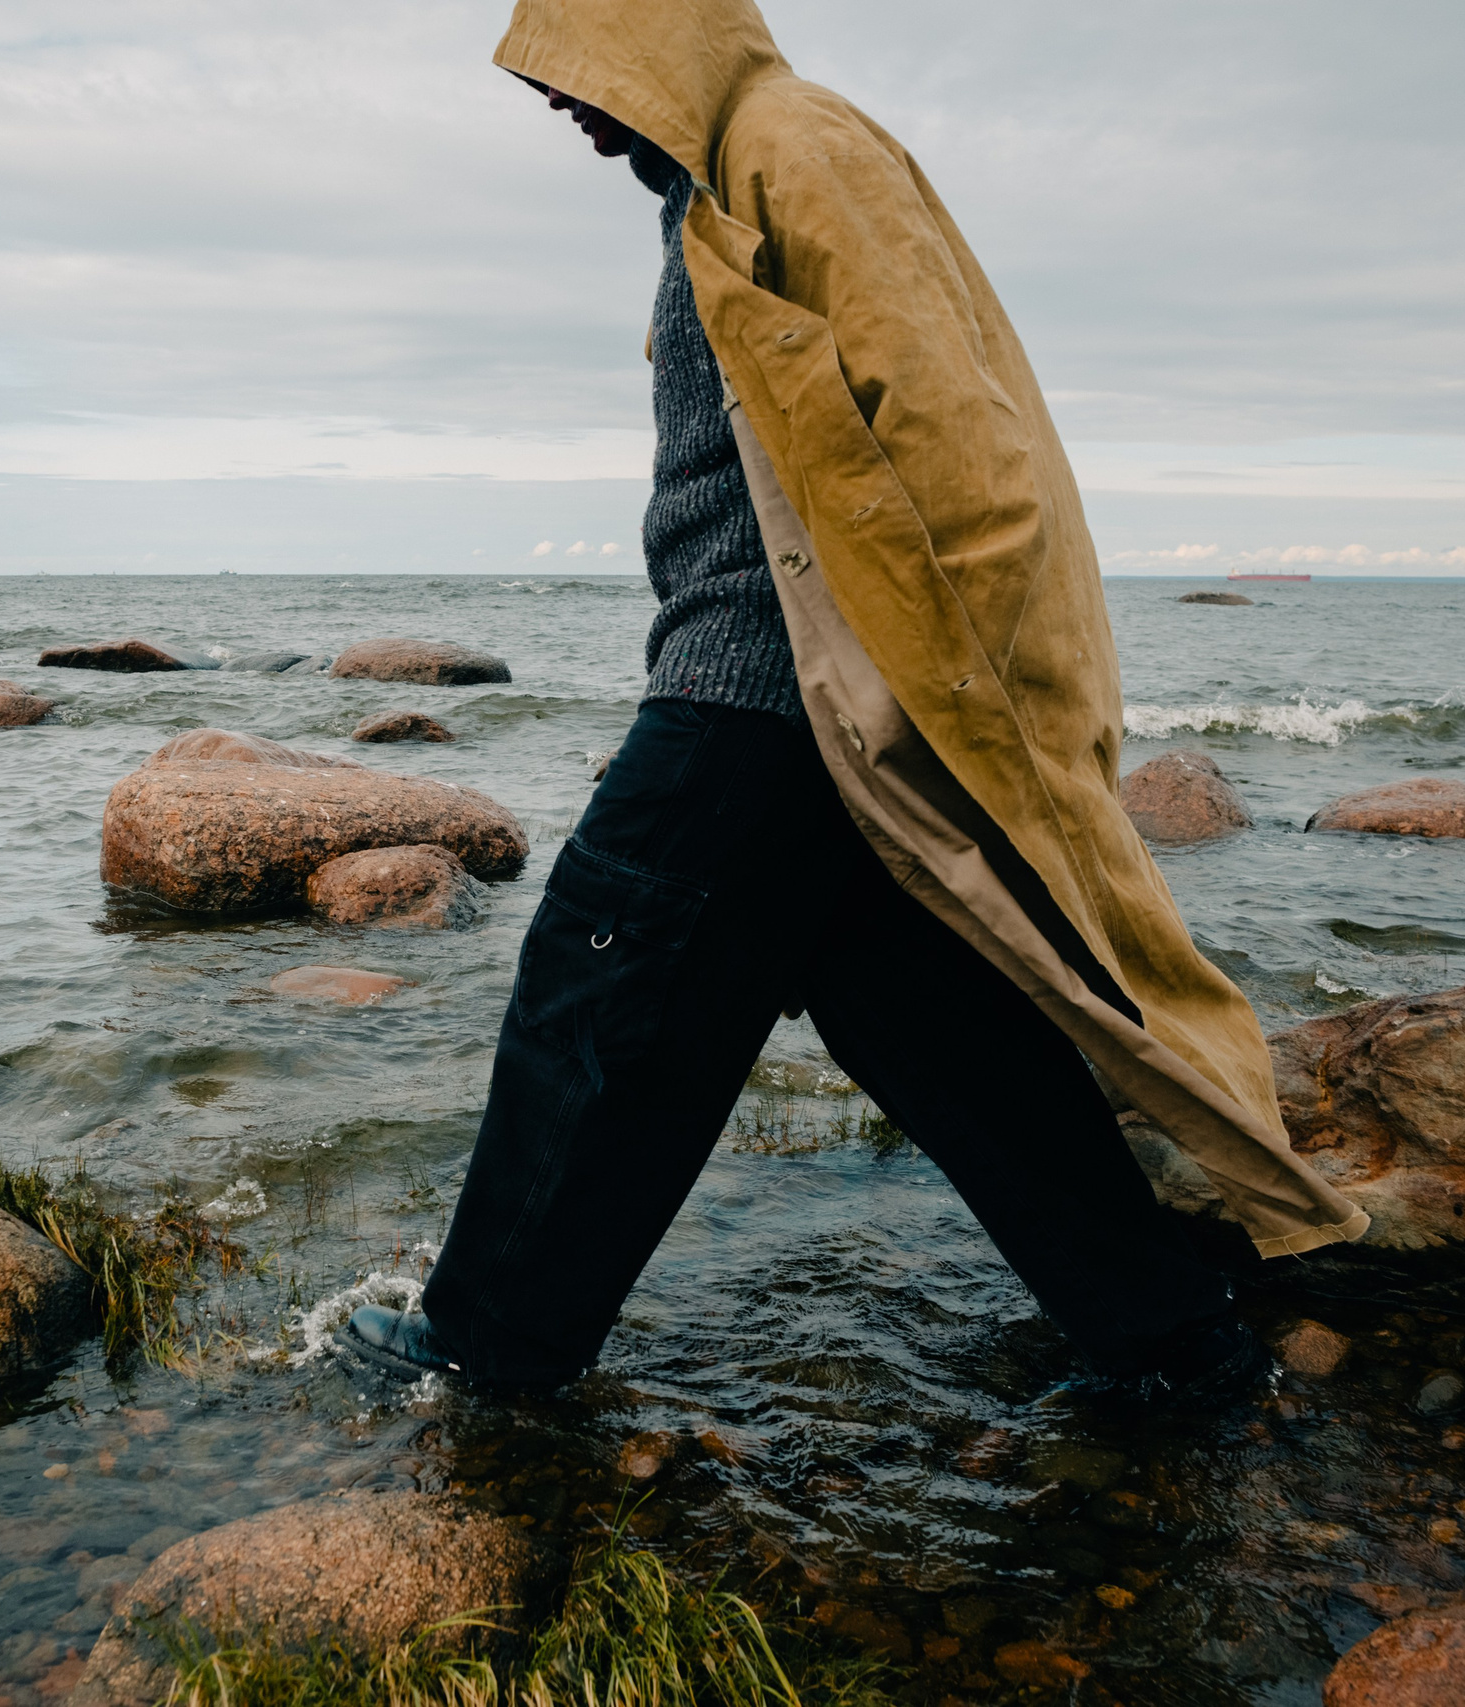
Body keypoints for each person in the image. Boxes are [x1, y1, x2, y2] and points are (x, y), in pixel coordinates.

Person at [342, 0, 1368, 1401]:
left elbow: (950, 423)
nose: (555, 99)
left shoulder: (794, 141)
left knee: (600, 976)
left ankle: (486, 1349)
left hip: (776, 686)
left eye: (572, 60)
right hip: (798, 690)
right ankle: (1173, 1343)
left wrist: (962, 693)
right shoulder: (712, 185)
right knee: (940, 1031)